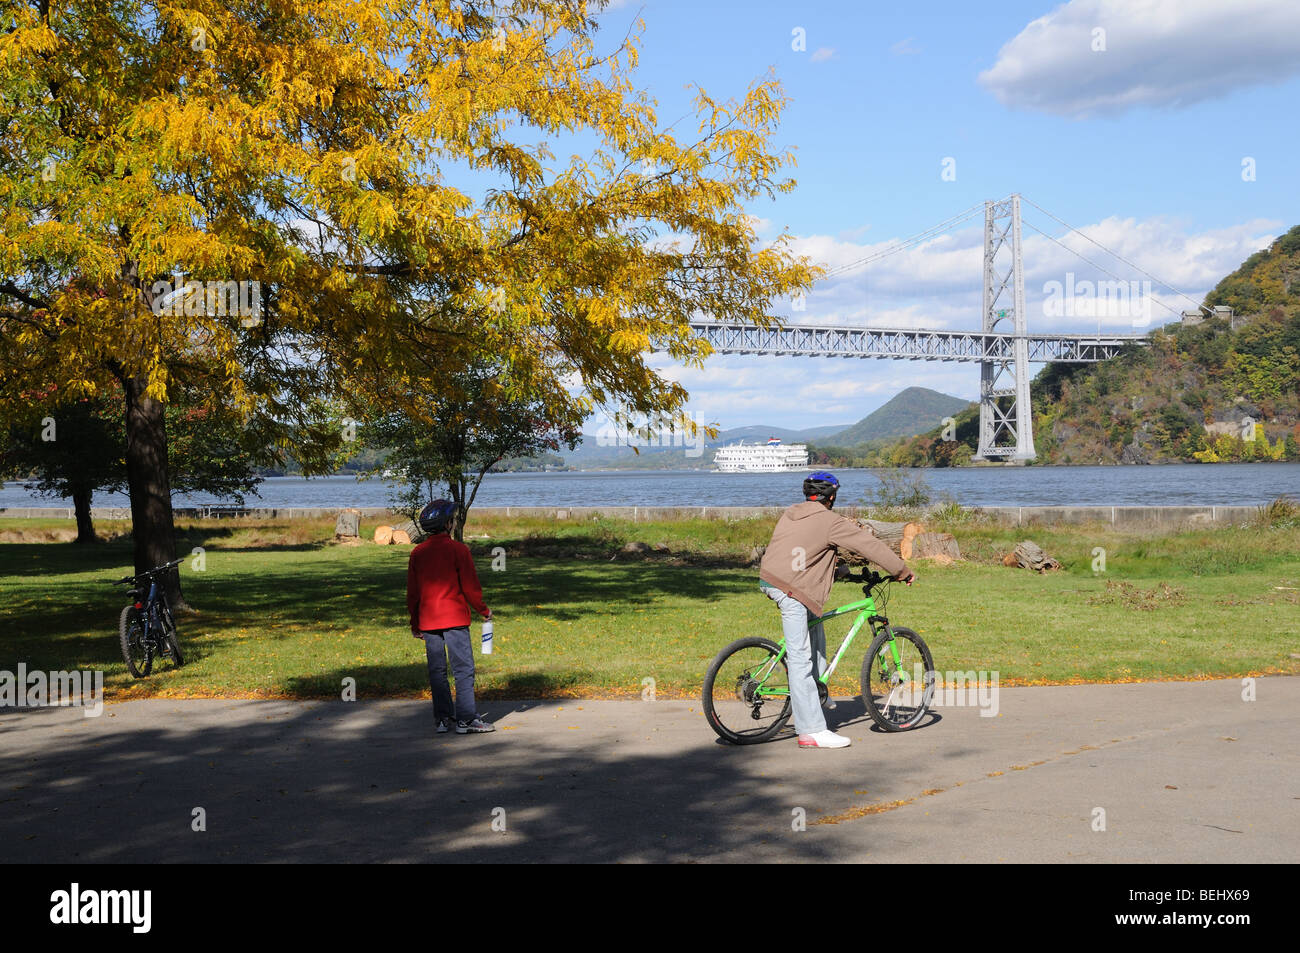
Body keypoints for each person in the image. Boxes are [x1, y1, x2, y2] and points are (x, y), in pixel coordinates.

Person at [758, 472, 915, 749]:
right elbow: (869, 545)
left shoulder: (791, 513)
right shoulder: (831, 521)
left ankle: (817, 694)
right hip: (792, 590)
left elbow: (804, 551)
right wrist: (901, 570)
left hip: (775, 579)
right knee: (800, 661)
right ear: (832, 496)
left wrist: (840, 571)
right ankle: (811, 731)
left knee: (817, 630)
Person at [406, 499, 495, 735]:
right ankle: (466, 719)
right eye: (453, 520)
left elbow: (413, 593)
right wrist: (484, 611)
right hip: (454, 619)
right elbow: (470, 587)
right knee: (463, 669)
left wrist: (415, 623)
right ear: (448, 524)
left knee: (437, 671)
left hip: (429, 620)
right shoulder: (458, 550)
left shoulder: (417, 553)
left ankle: (443, 719)